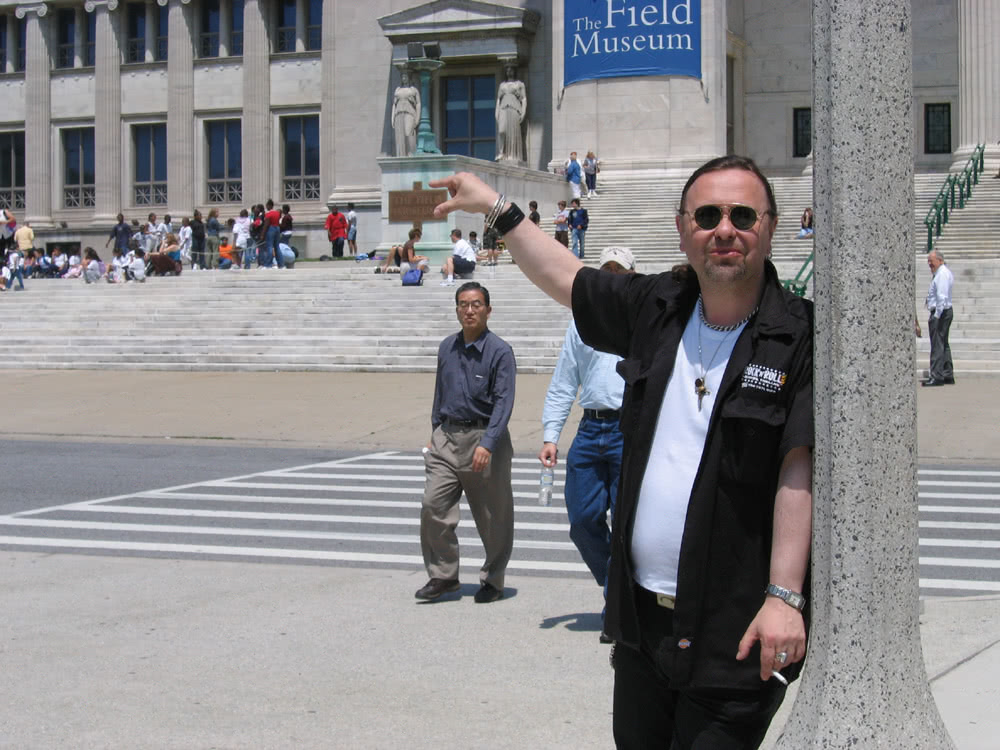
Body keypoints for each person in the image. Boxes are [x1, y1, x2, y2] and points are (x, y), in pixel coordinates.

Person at [429, 154, 814, 749]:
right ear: (683, 227)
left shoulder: (799, 335)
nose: (725, 229)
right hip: (641, 632)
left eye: (743, 214)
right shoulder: (656, 308)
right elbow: (568, 277)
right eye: (708, 214)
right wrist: (495, 207)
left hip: (733, 634)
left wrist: (785, 597)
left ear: (771, 225)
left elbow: (798, 466)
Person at [539, 246, 635, 633]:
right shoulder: (583, 322)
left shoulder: (643, 320)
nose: (612, 276)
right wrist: (550, 434)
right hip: (591, 429)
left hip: (629, 429)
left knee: (628, 524)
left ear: (631, 275)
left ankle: (620, 608)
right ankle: (616, 590)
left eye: (619, 271)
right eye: (606, 270)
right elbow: (565, 382)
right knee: (582, 520)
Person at [416, 281, 516, 604]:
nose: (469, 310)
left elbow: (504, 403)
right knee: (433, 505)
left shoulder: (500, 352)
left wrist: (488, 443)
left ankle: (493, 579)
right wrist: (435, 431)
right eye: (463, 304)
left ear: (488, 310)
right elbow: (439, 393)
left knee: (492, 516)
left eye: (476, 304)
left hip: (485, 438)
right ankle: (444, 575)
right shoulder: (447, 347)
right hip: (447, 437)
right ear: (457, 309)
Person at [923, 249, 954, 387]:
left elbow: (942, 296)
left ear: (940, 260)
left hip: (941, 313)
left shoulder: (941, 274)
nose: (929, 263)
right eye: (928, 260)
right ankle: (947, 374)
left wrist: (936, 315)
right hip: (944, 312)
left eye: (932, 260)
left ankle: (937, 376)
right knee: (943, 343)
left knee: (937, 344)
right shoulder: (942, 273)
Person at [495, 65, 526, 163]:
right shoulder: (502, 85)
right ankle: (501, 152)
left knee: (513, 132)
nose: (509, 72)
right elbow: (498, 100)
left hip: (514, 109)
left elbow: (524, 99)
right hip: (503, 108)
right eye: (507, 70)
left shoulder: (519, 84)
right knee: (501, 131)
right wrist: (497, 112)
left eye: (511, 70)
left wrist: (524, 112)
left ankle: (512, 155)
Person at [392, 70, 420, 157]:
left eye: (406, 76)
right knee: (399, 136)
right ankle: (401, 155)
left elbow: (418, 103)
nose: (404, 78)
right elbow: (394, 104)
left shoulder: (413, 89)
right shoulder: (398, 89)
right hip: (399, 113)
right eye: (403, 76)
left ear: (409, 77)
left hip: (409, 113)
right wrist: (392, 118)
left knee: (408, 133)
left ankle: (412, 154)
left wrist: (417, 118)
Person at [263, 200, 285, 269]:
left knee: (269, 247)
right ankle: (281, 264)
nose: (266, 207)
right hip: (277, 228)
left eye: (267, 205)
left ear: (269, 206)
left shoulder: (268, 214)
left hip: (271, 229)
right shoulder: (277, 213)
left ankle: (268, 264)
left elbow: (266, 225)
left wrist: (262, 234)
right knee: (277, 247)